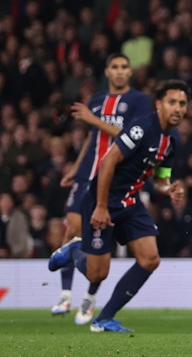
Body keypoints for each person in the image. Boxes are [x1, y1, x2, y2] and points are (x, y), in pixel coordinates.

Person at [47, 80, 190, 333]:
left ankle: (104, 318)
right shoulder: (141, 128)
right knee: (97, 275)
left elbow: (160, 177)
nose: (177, 108)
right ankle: (73, 252)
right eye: (172, 102)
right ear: (159, 104)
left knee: (150, 259)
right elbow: (107, 163)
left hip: (130, 202)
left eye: (182, 103)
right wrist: (101, 207)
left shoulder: (173, 139)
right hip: (102, 200)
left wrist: (168, 189)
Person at [50, 53, 152, 324]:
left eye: (124, 67)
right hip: (87, 175)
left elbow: (132, 137)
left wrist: (92, 119)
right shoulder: (96, 100)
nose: (119, 72)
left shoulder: (139, 101)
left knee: (99, 245)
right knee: (72, 229)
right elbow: (92, 139)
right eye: (115, 67)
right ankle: (65, 295)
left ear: (130, 72)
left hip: (114, 182)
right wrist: (74, 169)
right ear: (107, 71)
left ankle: (90, 296)